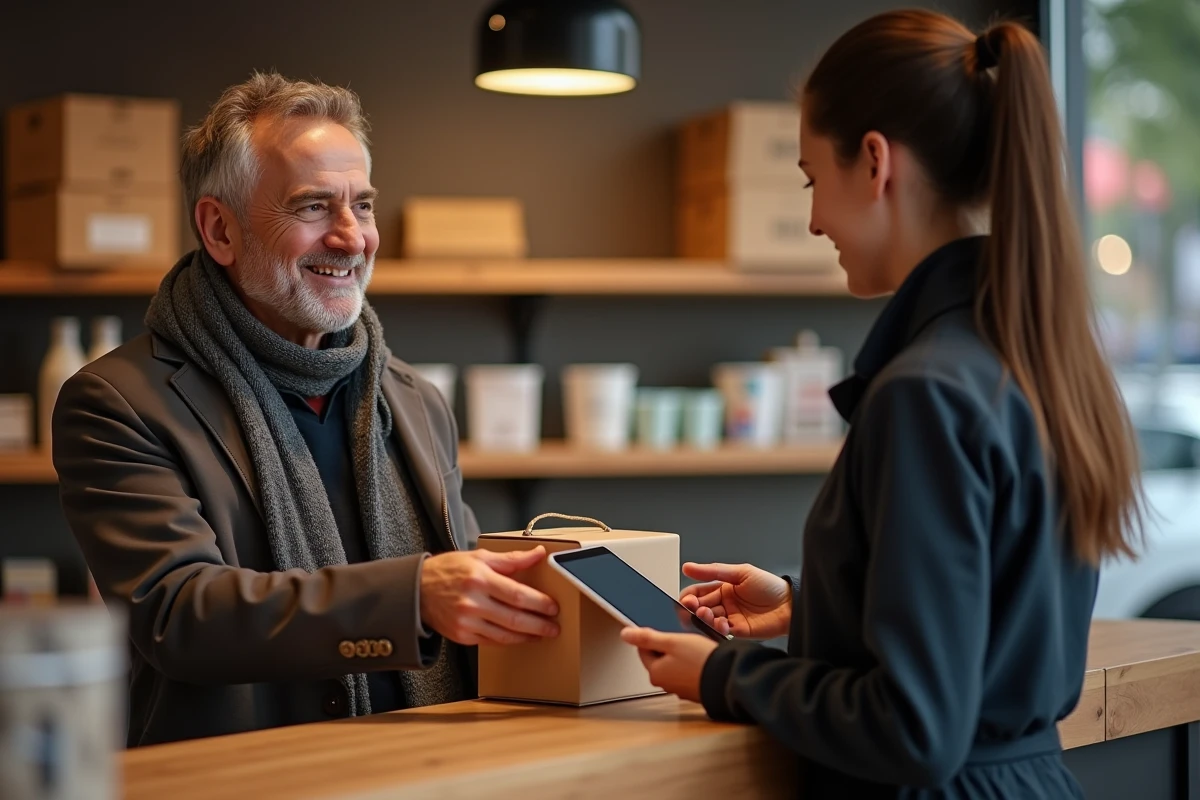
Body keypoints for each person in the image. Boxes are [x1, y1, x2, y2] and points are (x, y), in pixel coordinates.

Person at [621, 10, 1146, 798]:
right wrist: (808, 608)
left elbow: (914, 726)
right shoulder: (1039, 359)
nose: (812, 221)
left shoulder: (923, 394)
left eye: (811, 180)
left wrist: (724, 674)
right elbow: (982, 626)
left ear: (874, 161)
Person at [52, 71, 560, 747]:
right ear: (220, 229)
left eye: (363, 206)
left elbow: (464, 593)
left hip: (434, 767)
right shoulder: (118, 401)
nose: (352, 238)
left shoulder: (414, 398)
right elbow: (178, 616)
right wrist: (412, 597)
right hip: (246, 779)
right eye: (314, 207)